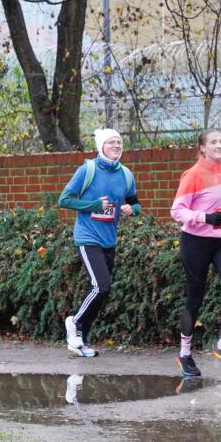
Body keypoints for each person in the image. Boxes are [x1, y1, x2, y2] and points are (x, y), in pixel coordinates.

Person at [170, 129, 221, 378]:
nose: (220, 145)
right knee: (195, 298)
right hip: (196, 242)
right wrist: (205, 217)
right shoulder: (193, 175)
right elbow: (177, 210)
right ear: (202, 147)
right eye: (214, 142)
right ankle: (185, 353)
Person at [57, 129, 140, 356]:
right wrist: (94, 205)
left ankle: (80, 341)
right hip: (87, 237)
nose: (116, 146)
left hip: (109, 240)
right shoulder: (88, 170)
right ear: (101, 146)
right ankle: (74, 322)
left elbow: (136, 203)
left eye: (119, 142)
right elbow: (64, 200)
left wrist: (132, 209)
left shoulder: (126, 174)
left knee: (100, 291)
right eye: (111, 142)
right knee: (100, 286)